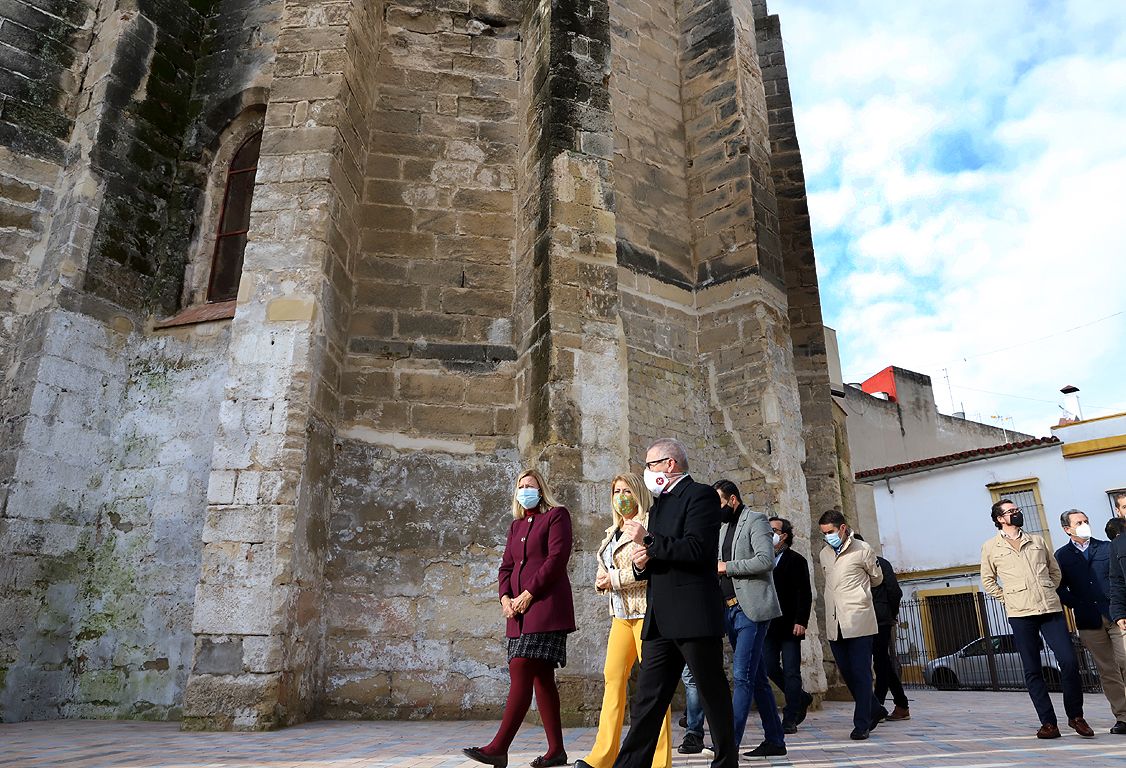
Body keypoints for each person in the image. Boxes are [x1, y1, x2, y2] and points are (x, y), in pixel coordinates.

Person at [610, 438, 737, 768]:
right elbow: (659, 554)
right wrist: (641, 561)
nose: (647, 472)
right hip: (660, 618)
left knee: (712, 693)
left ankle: (726, 762)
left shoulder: (701, 496)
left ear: (670, 464)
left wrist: (648, 540)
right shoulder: (659, 504)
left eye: (650, 465)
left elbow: (696, 550)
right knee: (648, 700)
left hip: (693, 614)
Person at [464, 470, 576, 768]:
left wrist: (527, 594)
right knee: (541, 678)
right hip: (516, 612)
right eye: (520, 486)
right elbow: (506, 567)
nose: (525, 490)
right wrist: (505, 598)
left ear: (542, 489)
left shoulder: (556, 516)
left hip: (545, 607)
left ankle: (499, 748)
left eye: (530, 486)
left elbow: (556, 560)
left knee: (522, 666)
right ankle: (556, 751)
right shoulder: (515, 526)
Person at [576, 474, 672, 768]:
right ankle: (602, 756)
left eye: (626, 490)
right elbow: (604, 570)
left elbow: (649, 569)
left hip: (647, 614)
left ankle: (659, 761)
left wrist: (613, 579)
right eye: (616, 491)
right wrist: (601, 581)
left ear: (639, 492)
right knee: (613, 679)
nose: (621, 496)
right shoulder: (611, 532)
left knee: (654, 687)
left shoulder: (648, 527)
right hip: (620, 615)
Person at [980, 499, 1092, 740]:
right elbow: (988, 581)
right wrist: (1008, 599)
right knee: (1032, 670)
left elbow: (1055, 572)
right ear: (1000, 519)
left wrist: (1047, 589)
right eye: (1011, 512)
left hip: (1050, 610)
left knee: (1069, 662)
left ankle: (1076, 716)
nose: (1017, 514)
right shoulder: (991, 547)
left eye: (1017, 510)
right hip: (1020, 615)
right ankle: (1048, 723)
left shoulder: (1038, 541)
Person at [711, 480, 786, 758]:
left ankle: (728, 744)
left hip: (751, 609)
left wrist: (726, 567)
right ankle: (776, 740)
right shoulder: (719, 528)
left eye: (718, 503)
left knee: (742, 676)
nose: (715, 510)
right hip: (728, 609)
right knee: (757, 679)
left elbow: (766, 560)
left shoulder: (756, 521)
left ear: (732, 500)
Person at [1055, 509, 1126, 734]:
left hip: (1116, 615)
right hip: (1088, 620)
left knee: (1125, 660)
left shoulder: (1106, 547)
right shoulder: (1062, 556)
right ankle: (1123, 717)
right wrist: (1076, 603)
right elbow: (1059, 586)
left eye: (1086, 520)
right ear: (1067, 529)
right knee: (1107, 670)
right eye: (1079, 522)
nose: (1084, 524)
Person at [818, 510, 883, 740]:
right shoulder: (825, 554)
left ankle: (862, 723)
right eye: (824, 533)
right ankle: (875, 709)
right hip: (835, 622)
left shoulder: (862, 550)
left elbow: (877, 578)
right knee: (848, 672)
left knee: (861, 672)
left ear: (843, 528)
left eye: (831, 532)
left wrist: (859, 594)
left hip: (858, 619)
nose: (828, 537)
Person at [763, 516, 813, 734]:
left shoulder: (796, 560)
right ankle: (801, 697)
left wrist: (801, 621)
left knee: (792, 671)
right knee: (768, 666)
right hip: (768, 624)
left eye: (773, 530)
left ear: (783, 535)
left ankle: (791, 715)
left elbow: (805, 593)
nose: (769, 533)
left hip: (791, 624)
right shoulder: (763, 559)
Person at [865, 539, 910, 722]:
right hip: (868, 619)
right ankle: (898, 704)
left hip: (879, 620)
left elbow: (895, 592)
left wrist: (890, 614)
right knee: (882, 662)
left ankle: (879, 706)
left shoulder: (880, 564)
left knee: (881, 661)